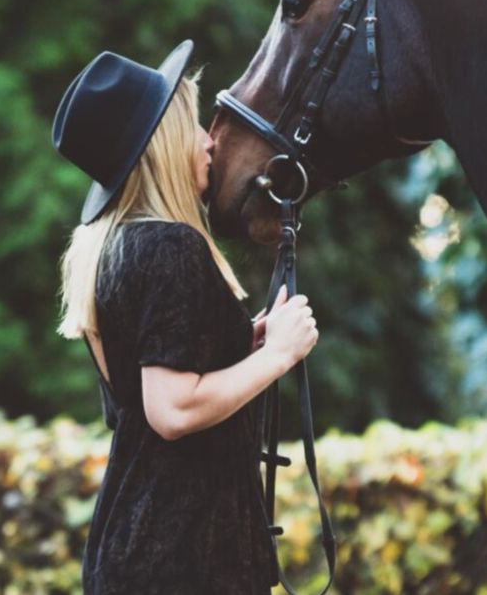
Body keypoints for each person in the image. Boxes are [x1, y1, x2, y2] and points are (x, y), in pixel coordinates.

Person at [51, 39, 319, 595]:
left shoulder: (116, 248)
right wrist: (277, 356)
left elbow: (145, 384)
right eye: (193, 125)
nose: (207, 142)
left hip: (139, 547)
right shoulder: (172, 248)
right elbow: (171, 409)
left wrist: (244, 342)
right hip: (184, 560)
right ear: (162, 144)